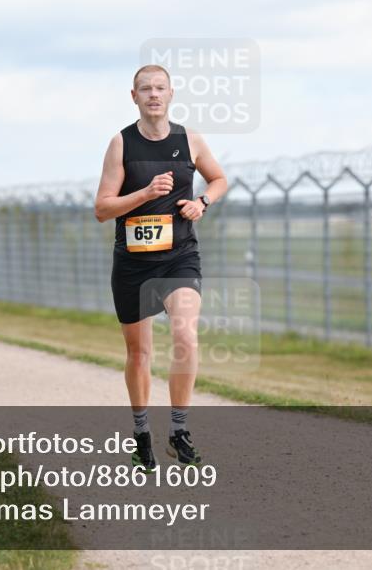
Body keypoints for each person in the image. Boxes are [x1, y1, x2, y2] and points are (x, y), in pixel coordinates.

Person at [94, 64, 227, 469]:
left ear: (171, 94)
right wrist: (146, 193)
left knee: (186, 335)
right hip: (134, 263)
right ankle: (141, 435)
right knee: (139, 354)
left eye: (160, 88)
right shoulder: (121, 143)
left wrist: (201, 202)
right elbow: (102, 208)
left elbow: (219, 179)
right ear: (133, 96)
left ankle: (179, 431)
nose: (153, 95)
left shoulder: (190, 140)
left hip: (179, 255)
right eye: (145, 89)